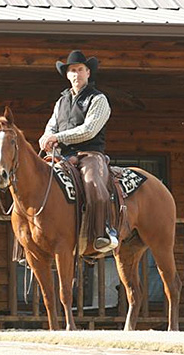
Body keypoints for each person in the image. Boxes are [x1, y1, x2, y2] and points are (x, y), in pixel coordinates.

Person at [39, 50, 118, 252]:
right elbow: (51, 126)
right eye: (72, 70)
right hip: (62, 156)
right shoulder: (61, 101)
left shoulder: (98, 99)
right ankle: (30, 241)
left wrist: (58, 137)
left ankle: (102, 233)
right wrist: (46, 138)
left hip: (89, 154)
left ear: (88, 73)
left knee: (93, 184)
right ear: (67, 75)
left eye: (80, 70)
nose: (76, 74)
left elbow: (89, 130)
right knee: (34, 181)